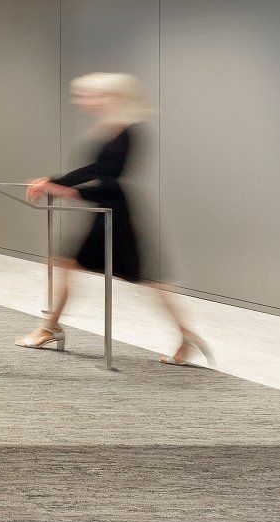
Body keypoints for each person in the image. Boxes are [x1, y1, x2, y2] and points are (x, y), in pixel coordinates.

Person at [16, 72, 208, 366]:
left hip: (114, 213)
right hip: (105, 212)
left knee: (146, 279)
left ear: (112, 96)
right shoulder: (112, 129)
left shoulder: (131, 131)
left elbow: (112, 181)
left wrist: (66, 191)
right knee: (67, 263)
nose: (83, 101)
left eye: (90, 95)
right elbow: (95, 168)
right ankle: (49, 327)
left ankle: (186, 336)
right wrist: (53, 180)